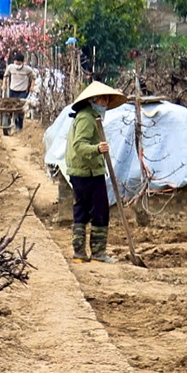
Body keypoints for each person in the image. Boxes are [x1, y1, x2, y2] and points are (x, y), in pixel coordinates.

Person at [65, 80, 127, 263]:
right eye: (103, 99)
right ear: (93, 100)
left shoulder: (88, 116)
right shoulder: (86, 118)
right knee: (99, 210)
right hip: (88, 172)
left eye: (108, 99)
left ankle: (80, 253)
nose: (106, 103)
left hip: (82, 171)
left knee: (81, 210)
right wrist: (97, 149)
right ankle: (98, 253)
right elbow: (79, 145)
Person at [1, 53, 35, 136]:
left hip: (22, 92)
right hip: (13, 91)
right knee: (10, 108)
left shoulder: (28, 69)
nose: (17, 65)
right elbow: (5, 76)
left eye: (19, 64)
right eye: (16, 63)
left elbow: (33, 77)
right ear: (14, 62)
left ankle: (19, 126)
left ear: (23, 62)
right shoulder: (10, 67)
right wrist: (4, 84)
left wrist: (32, 86)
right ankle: (8, 123)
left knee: (20, 110)